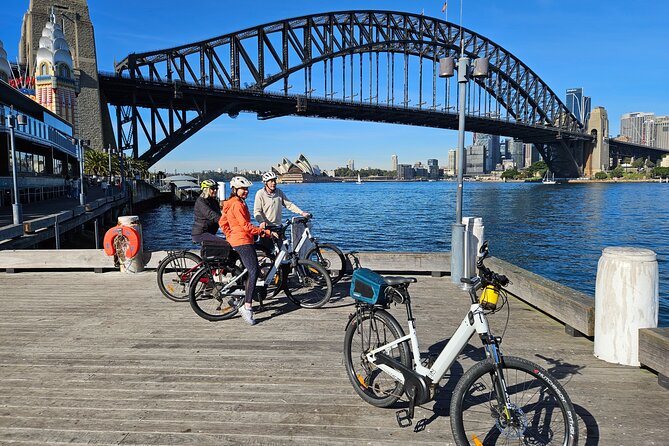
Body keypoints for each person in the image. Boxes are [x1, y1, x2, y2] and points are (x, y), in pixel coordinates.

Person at [220, 176, 277, 325]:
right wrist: (265, 232)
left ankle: (238, 297)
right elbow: (246, 226)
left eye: (247, 189)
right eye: (243, 189)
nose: (246, 191)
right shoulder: (237, 205)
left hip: (239, 239)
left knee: (249, 270)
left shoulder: (231, 203)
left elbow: (222, 222)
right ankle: (247, 307)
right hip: (243, 241)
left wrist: (229, 235)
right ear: (234, 190)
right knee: (254, 271)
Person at [191, 179, 226, 246]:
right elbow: (211, 215)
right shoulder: (201, 202)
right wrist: (225, 221)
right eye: (212, 189)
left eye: (216, 188)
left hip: (210, 233)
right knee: (225, 244)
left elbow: (220, 214)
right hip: (200, 234)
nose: (215, 190)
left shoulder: (213, 201)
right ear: (206, 189)